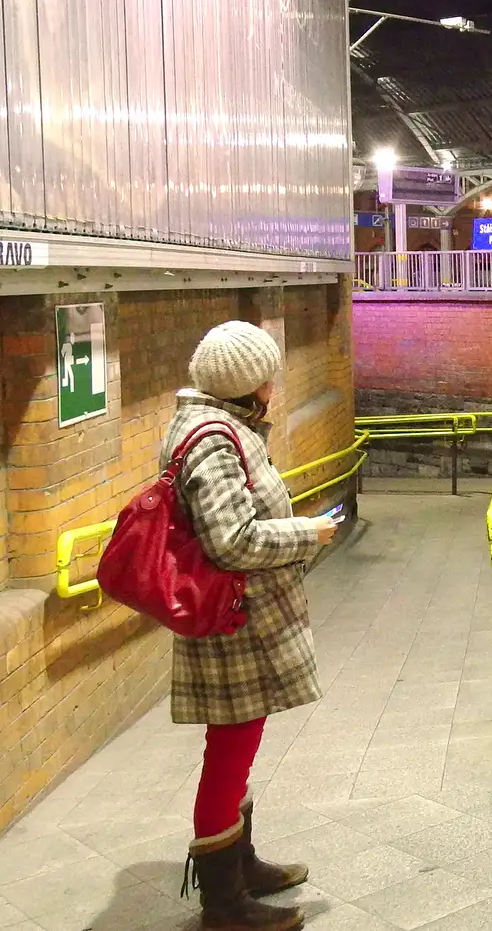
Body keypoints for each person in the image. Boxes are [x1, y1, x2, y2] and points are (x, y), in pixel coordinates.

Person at [166, 321, 339, 931]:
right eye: (269, 372)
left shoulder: (222, 427)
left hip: (245, 618)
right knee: (229, 751)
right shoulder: (213, 442)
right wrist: (307, 533)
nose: (275, 381)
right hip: (234, 623)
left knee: (239, 746)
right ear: (249, 384)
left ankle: (241, 864)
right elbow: (231, 540)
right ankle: (224, 905)